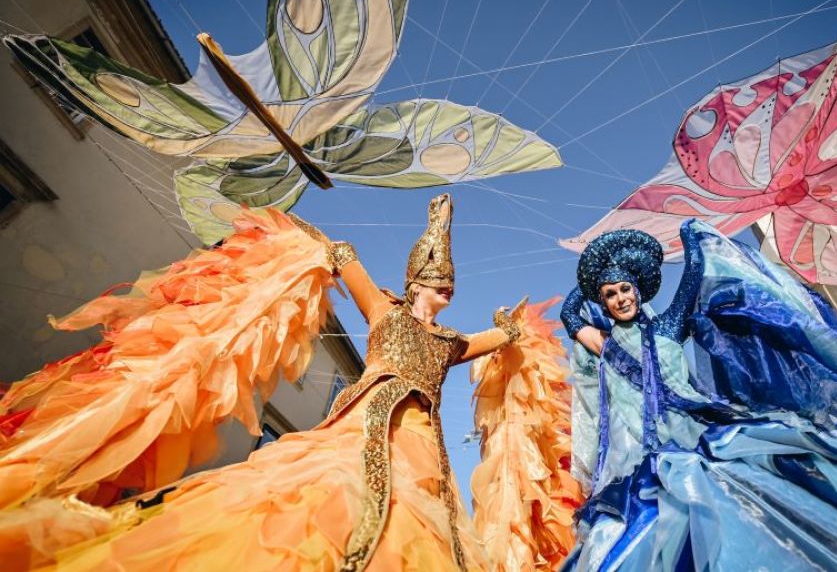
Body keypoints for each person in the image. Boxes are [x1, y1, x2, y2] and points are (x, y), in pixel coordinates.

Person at [2, 194, 527, 571]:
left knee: (418, 519)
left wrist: (510, 328)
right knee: (324, 490)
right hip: (364, 423)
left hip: (423, 444)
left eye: (450, 285)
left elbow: (497, 338)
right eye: (438, 282)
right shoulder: (384, 313)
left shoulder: (451, 343)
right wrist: (318, 239)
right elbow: (343, 255)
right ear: (416, 283)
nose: (447, 289)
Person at [560, 220, 837, 571]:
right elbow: (568, 313)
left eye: (624, 288)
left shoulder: (670, 325)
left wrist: (691, 236)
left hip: (701, 435)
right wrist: (595, 274)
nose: (619, 298)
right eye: (609, 295)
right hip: (646, 458)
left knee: (774, 490)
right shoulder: (604, 345)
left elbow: (693, 276)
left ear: (638, 289)